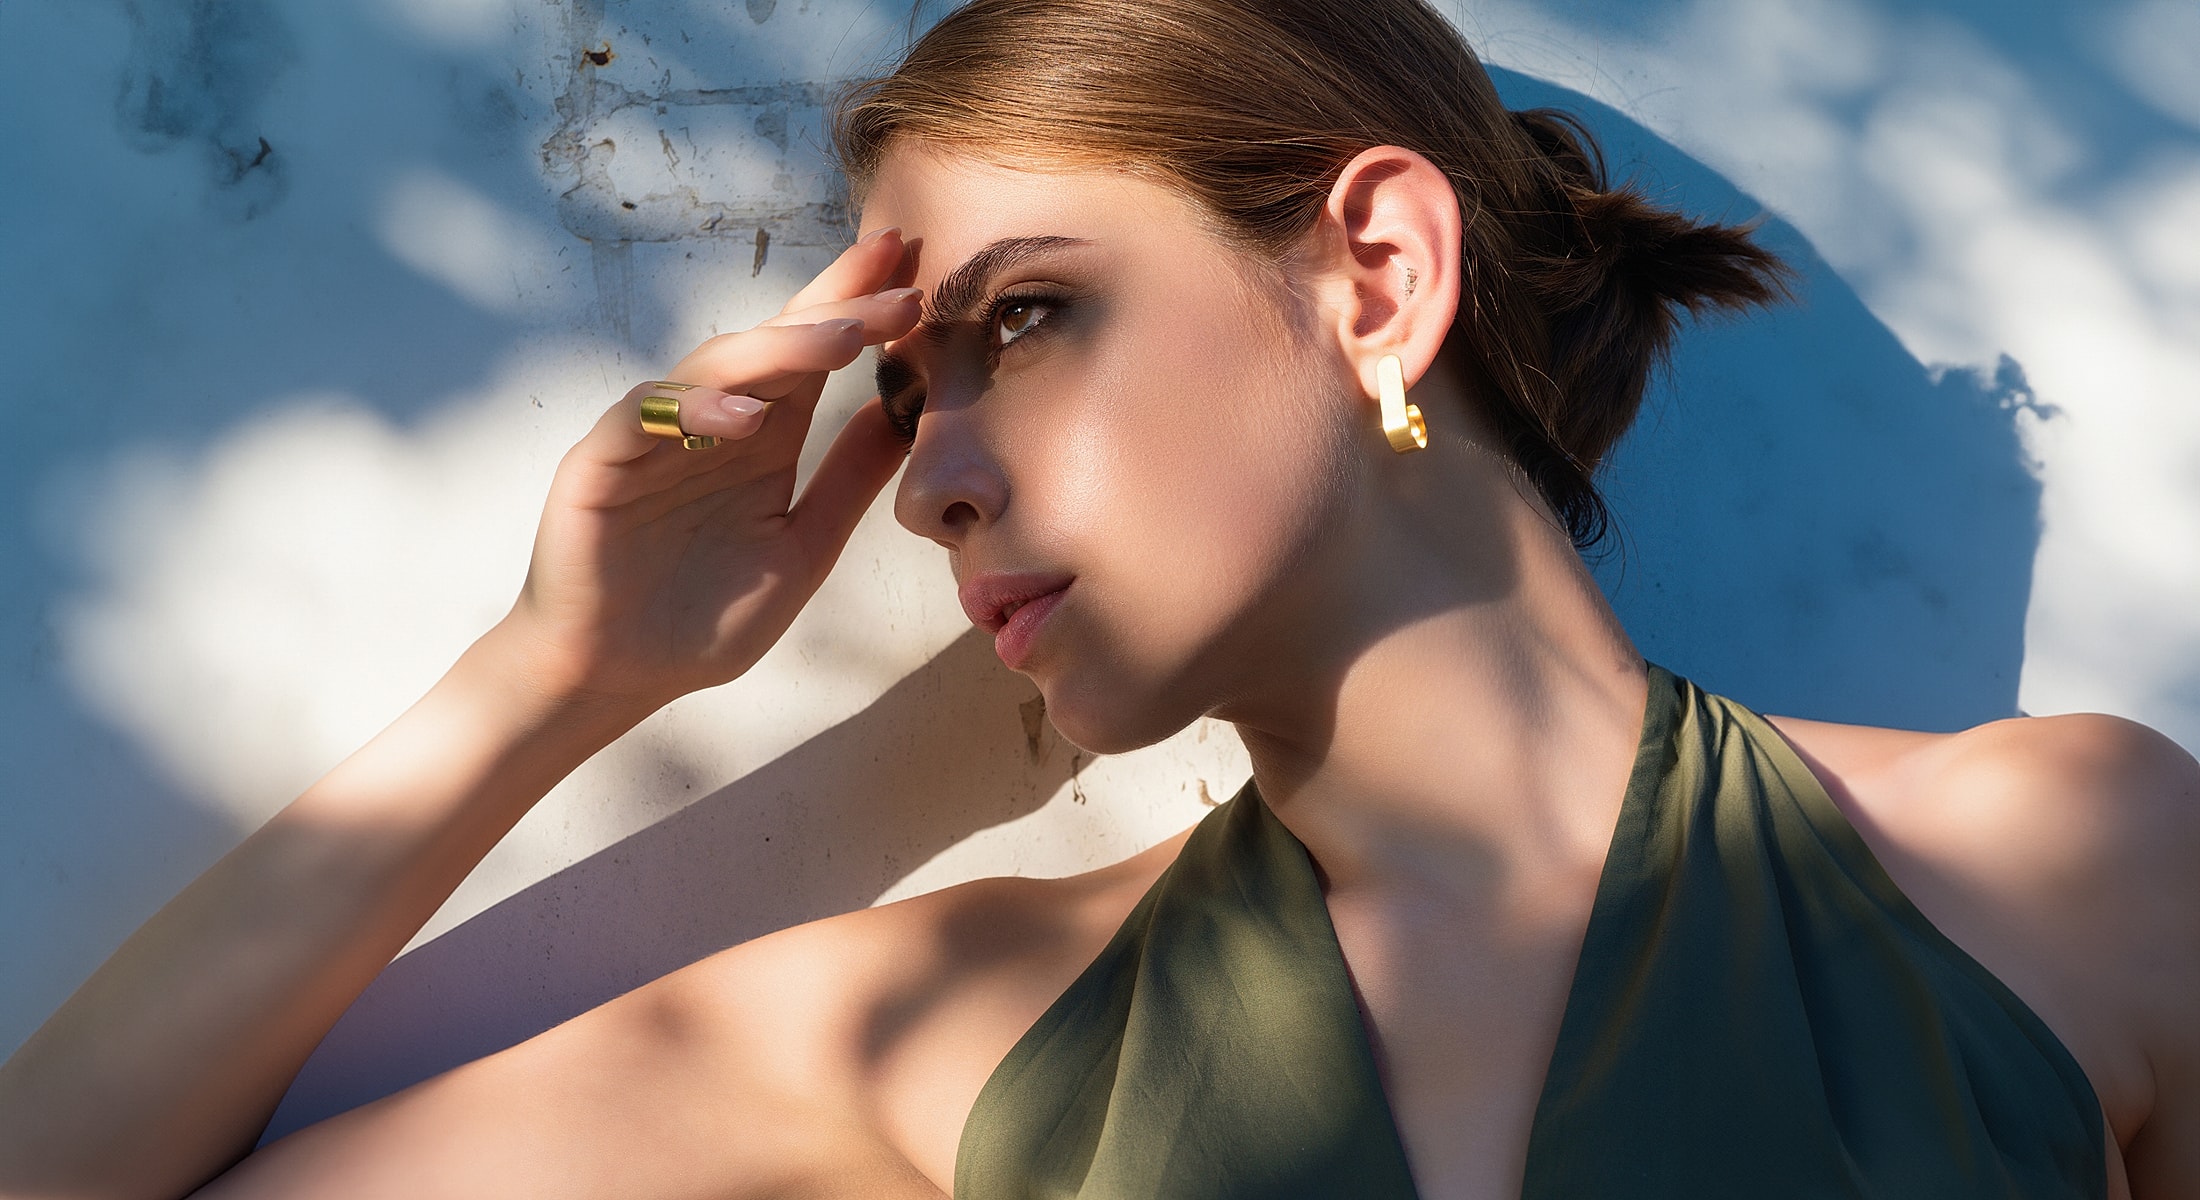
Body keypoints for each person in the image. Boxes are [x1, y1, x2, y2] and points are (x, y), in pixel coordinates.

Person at [3, 0, 2196, 1195]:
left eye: (1023, 319)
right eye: (901, 386)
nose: (926, 477)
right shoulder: (936, 1047)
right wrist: (551, 675)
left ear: (1376, 271)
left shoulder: (2065, 867)